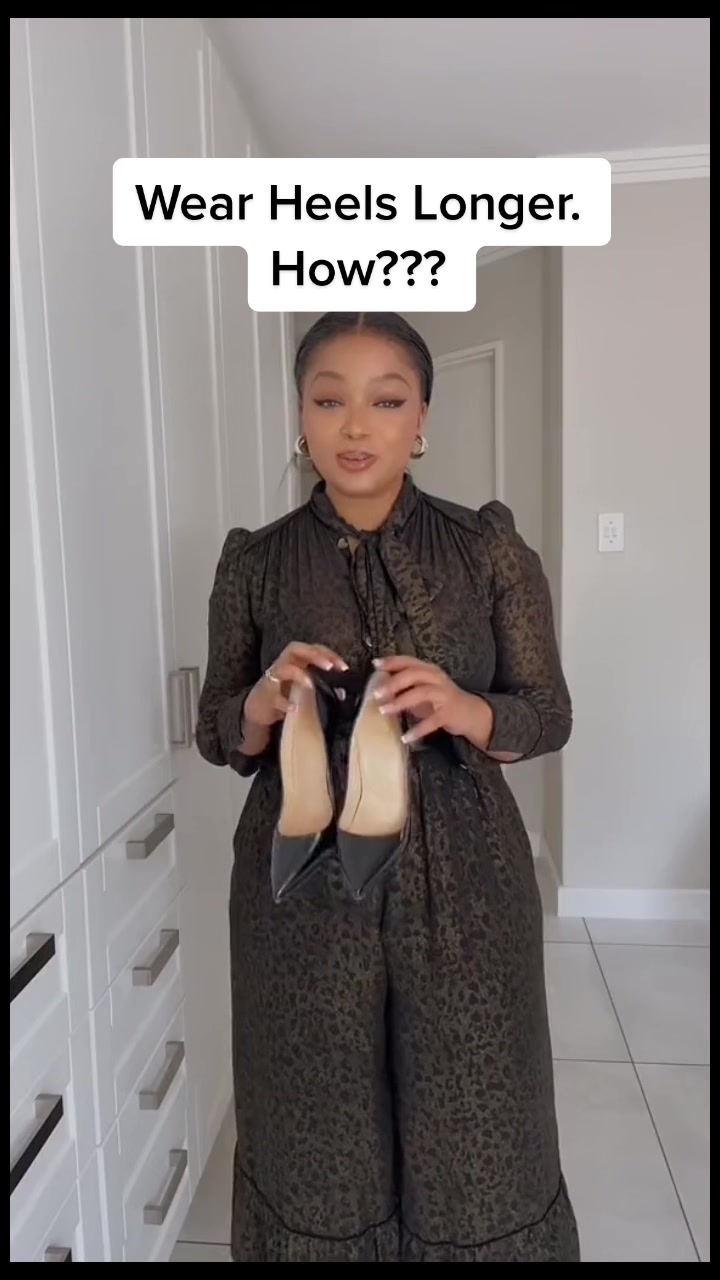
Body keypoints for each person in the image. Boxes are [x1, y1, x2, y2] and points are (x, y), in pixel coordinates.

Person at [196, 311, 580, 1262]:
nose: (356, 426)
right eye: (330, 401)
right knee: (316, 1119)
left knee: (477, 1112)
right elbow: (216, 731)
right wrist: (261, 701)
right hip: (301, 887)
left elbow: (548, 713)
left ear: (422, 420)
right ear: (301, 416)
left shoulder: (487, 550)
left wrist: (467, 707)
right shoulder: (254, 562)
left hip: (468, 879)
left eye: (387, 400)